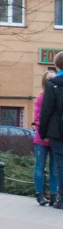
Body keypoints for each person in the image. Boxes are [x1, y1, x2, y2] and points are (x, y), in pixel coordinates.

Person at [36, 53, 63, 209]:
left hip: (58, 130)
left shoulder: (52, 84)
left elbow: (46, 111)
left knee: (60, 164)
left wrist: (43, 131)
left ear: (57, 65)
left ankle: (61, 199)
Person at [32, 70, 53, 206]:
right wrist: (44, 133)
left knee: (54, 167)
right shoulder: (41, 98)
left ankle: (53, 194)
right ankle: (39, 193)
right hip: (41, 138)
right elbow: (38, 118)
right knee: (40, 166)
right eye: (48, 80)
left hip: (54, 137)